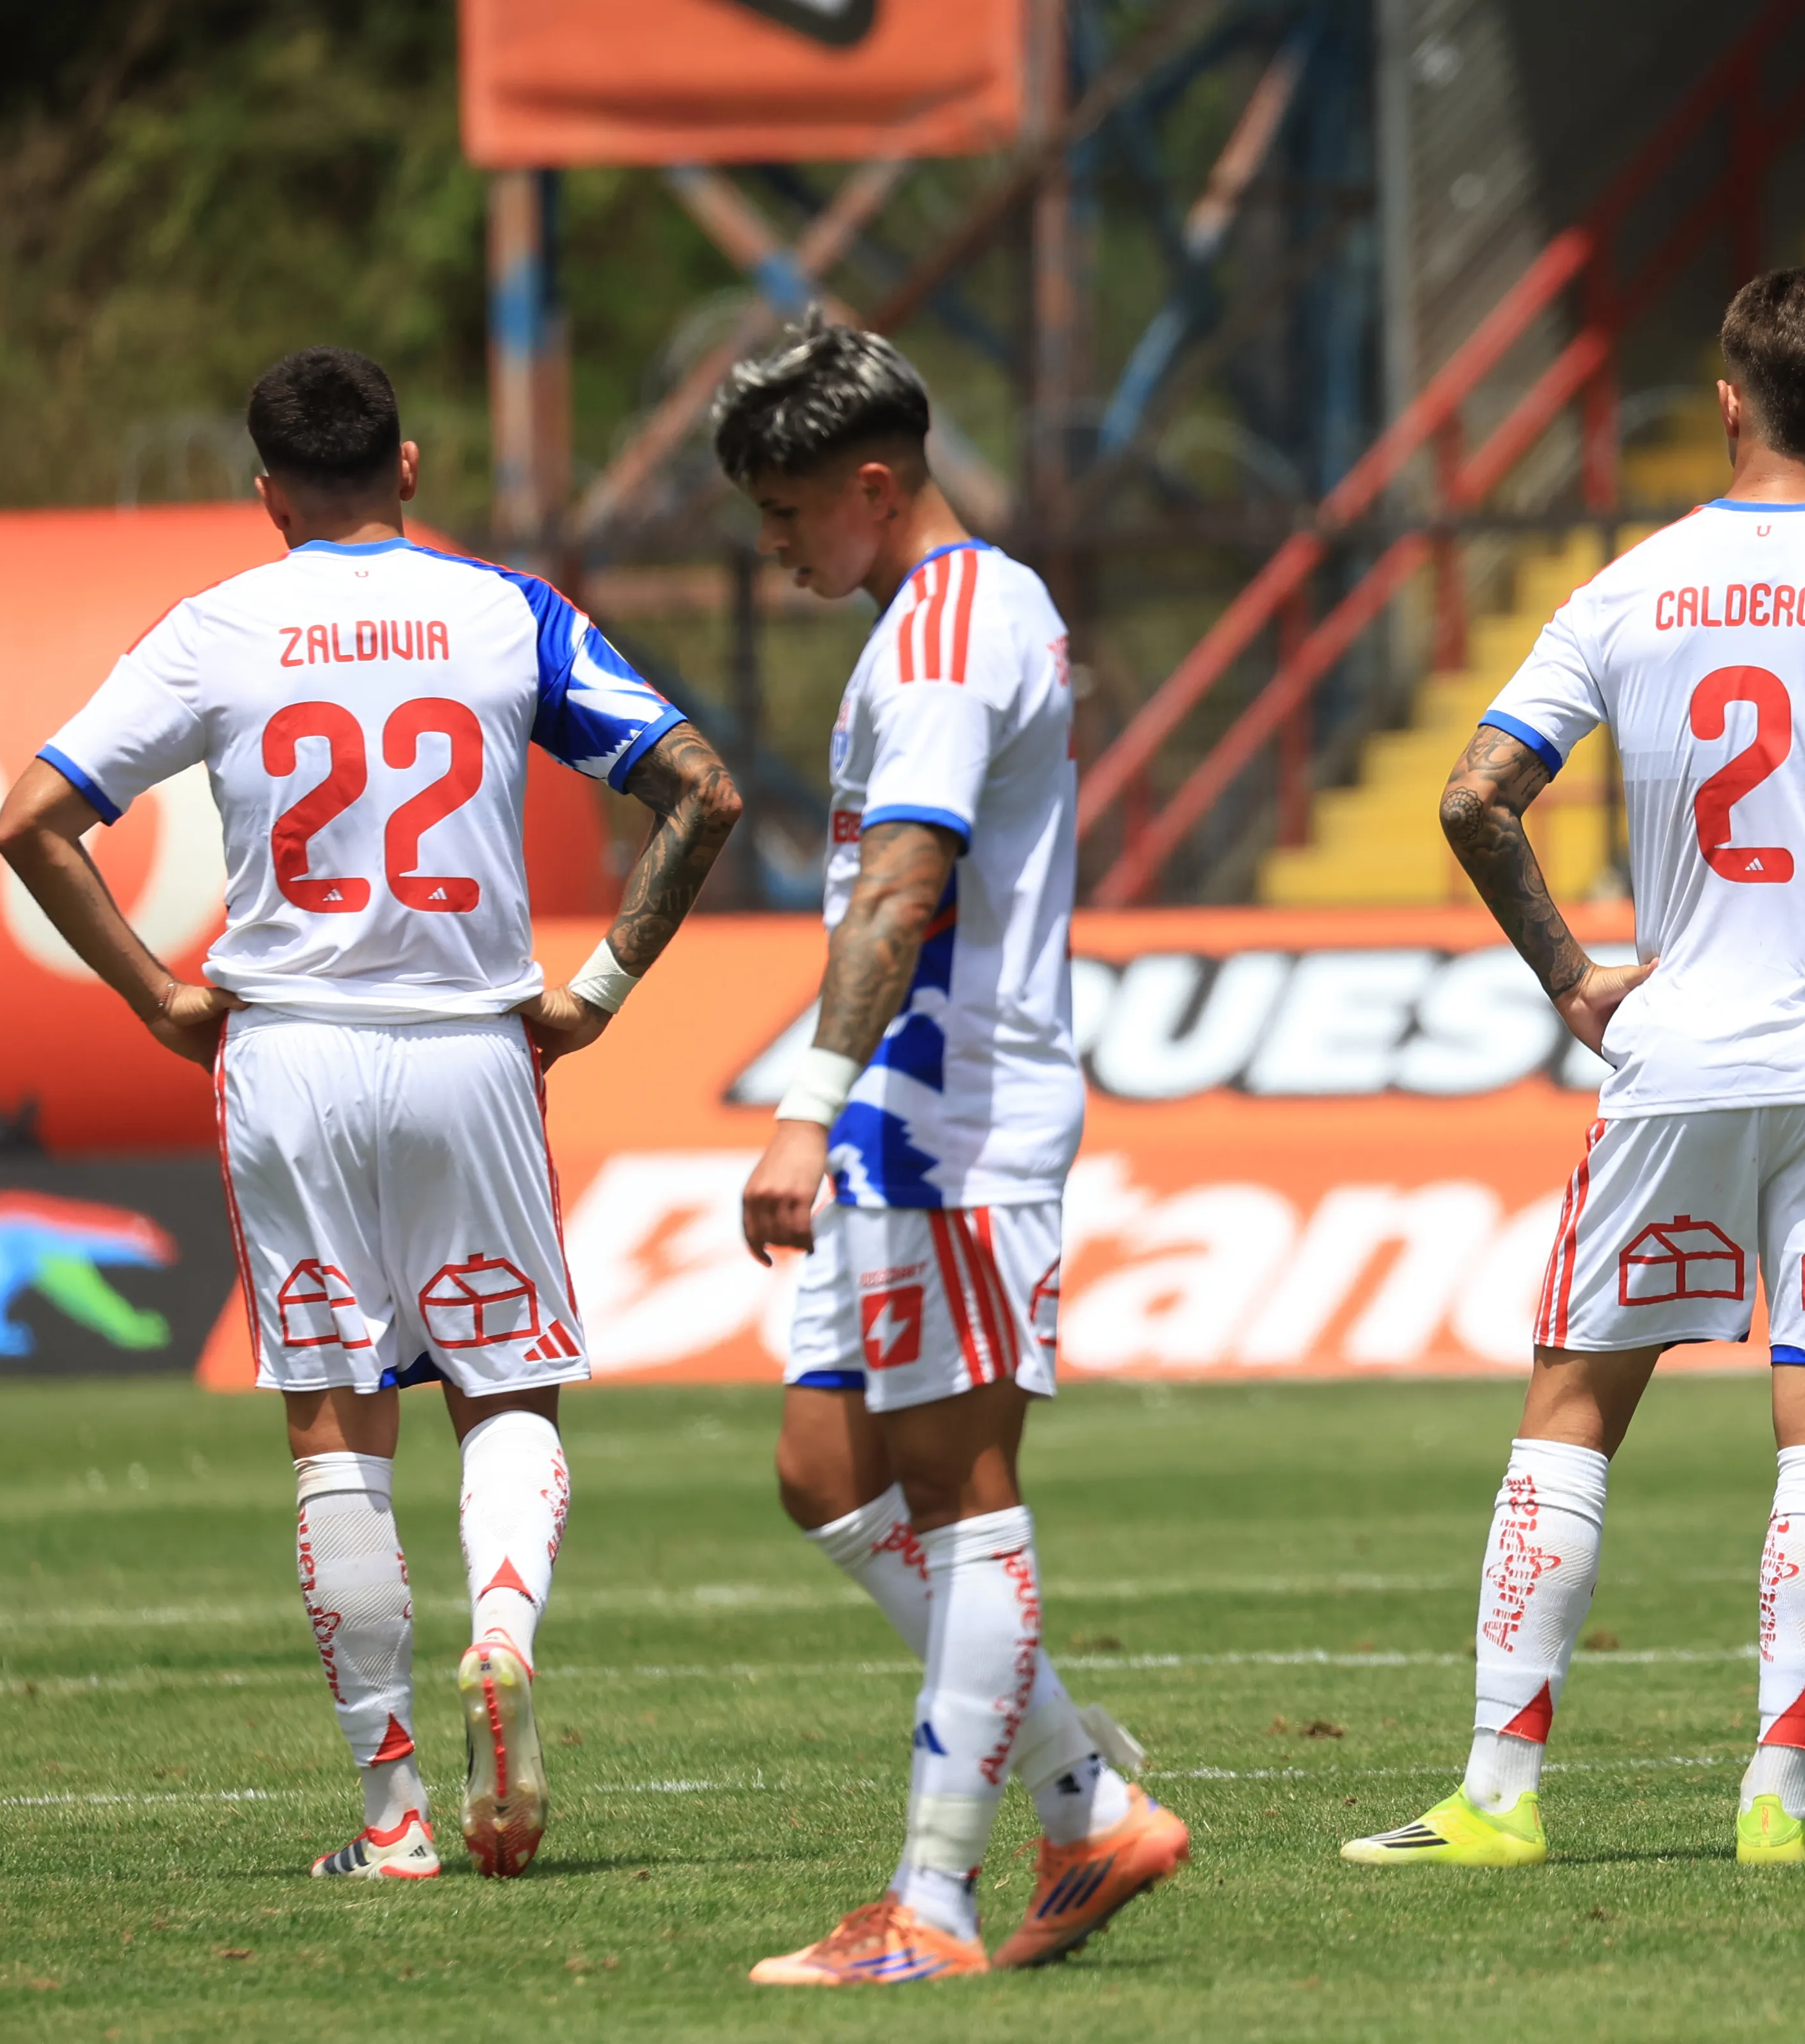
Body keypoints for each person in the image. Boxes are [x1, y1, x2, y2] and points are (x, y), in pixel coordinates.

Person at [1340, 266, 1805, 1872]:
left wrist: (1569, 976)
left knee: (1572, 1412)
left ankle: (1500, 1793)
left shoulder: (1629, 588)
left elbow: (1476, 797)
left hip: (1674, 1051)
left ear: (1730, 400)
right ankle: (1778, 1798)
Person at [0, 346, 743, 1879]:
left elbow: (33, 819)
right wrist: (594, 988)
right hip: (473, 1046)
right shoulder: (503, 611)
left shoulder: (215, 627)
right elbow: (702, 790)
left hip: (289, 1056)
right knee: (507, 1393)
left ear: (263, 492)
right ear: (411, 465)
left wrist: (155, 994)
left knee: (338, 1429)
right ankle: (508, 1632)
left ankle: (394, 1816)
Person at [720, 318, 1184, 1986]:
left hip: (952, 1118)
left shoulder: (947, 632)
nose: (773, 548)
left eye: (785, 514)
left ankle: (933, 1907)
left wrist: (806, 1097)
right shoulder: (941, 618)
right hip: (905, 1120)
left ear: (871, 483)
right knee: (822, 1474)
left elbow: (907, 887)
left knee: (957, 1489)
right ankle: (1084, 1796)